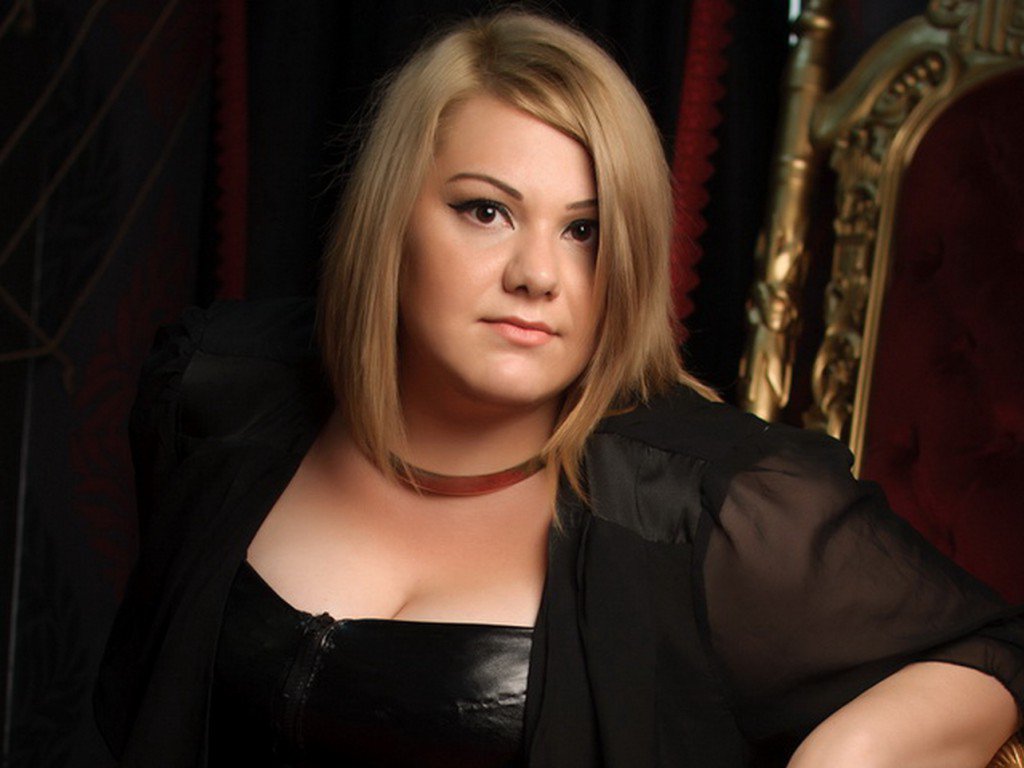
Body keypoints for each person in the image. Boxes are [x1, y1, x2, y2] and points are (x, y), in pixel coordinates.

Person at [94, 8, 1023, 767]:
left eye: (586, 231)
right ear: (390, 217)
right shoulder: (215, 390)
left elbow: (1000, 652)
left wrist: (853, 754)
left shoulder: (709, 507)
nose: (538, 275)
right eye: (486, 210)